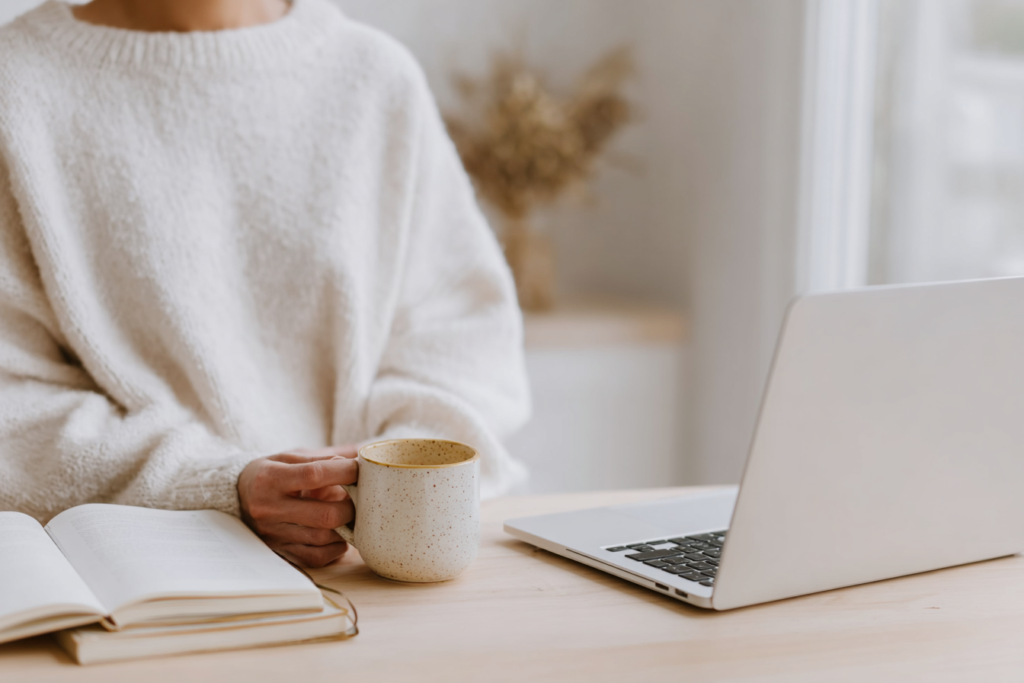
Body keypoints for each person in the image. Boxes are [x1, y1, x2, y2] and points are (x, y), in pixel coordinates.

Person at [0, 0, 530, 568]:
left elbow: (463, 343)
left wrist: (380, 495)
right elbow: (13, 405)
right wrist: (221, 484)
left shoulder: (374, 78)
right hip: (133, 579)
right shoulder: (17, 83)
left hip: (377, 579)